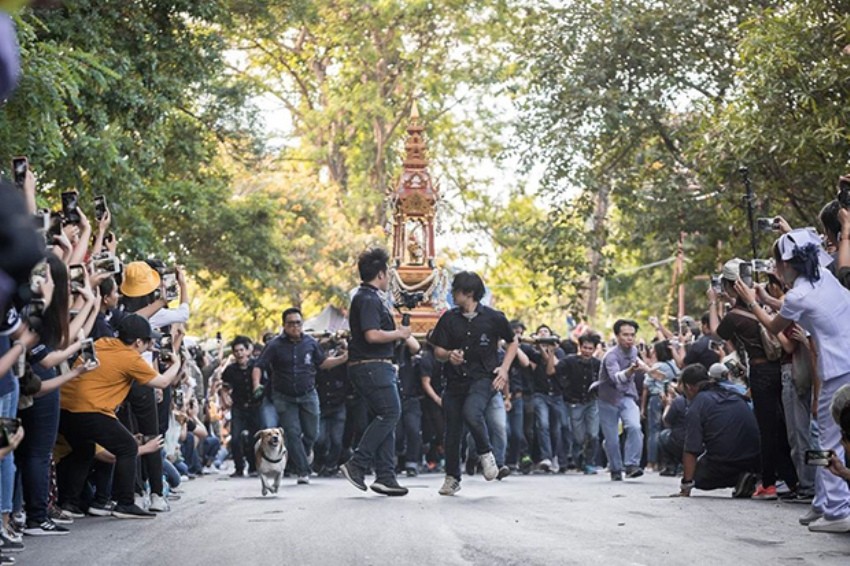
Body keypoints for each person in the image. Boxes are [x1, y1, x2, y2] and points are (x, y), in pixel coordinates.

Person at [734, 229, 850, 532]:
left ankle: (837, 511)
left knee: (827, 441)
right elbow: (790, 306)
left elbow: (774, 324)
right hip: (845, 359)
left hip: (837, 368)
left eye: (777, 262)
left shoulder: (798, 294)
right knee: (830, 437)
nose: (775, 268)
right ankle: (823, 503)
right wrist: (766, 297)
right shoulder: (823, 278)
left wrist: (750, 301)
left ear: (787, 264)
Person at [58, 314, 182, 519]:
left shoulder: (102, 342)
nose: (152, 344)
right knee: (127, 447)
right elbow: (161, 383)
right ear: (139, 342)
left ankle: (70, 503)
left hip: (65, 409)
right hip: (89, 409)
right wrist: (175, 363)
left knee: (84, 449)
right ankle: (125, 503)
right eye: (148, 340)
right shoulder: (130, 358)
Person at [709, 258, 798, 500]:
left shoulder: (734, 316)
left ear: (730, 286)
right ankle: (792, 479)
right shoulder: (762, 305)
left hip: (760, 374)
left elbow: (717, 334)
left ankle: (769, 483)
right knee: (783, 428)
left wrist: (712, 304)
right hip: (780, 370)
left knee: (768, 430)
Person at [429, 271, 517, 496]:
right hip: (454, 380)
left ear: (468, 293)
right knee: (452, 432)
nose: (451, 294)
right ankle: (452, 477)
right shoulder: (448, 318)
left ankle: (486, 454)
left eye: (455, 290)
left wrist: (504, 369)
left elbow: (512, 342)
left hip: (483, 378)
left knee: (472, 412)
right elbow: (437, 350)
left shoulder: (493, 317)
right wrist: (449, 355)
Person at [340, 247, 410, 497]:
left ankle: (385, 476)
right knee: (391, 413)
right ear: (380, 274)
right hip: (372, 366)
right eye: (388, 273)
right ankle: (357, 464)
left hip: (372, 367)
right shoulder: (368, 298)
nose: (389, 278)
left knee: (384, 417)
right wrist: (399, 334)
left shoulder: (366, 297)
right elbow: (371, 335)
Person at [253, 308, 348, 484]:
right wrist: (256, 384)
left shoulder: (311, 343)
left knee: (314, 433)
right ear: (284, 325)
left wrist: (343, 359)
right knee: (292, 432)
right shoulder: (274, 345)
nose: (295, 327)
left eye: (298, 323)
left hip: (308, 394)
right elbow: (259, 365)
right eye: (291, 323)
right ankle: (303, 470)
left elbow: (323, 363)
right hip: (283, 396)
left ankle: (303, 452)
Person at [676, 365, 761, 498]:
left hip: (726, 463)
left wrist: (686, 486)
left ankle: (739, 478)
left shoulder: (698, 404)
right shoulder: (733, 394)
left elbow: (691, 448)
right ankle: (749, 476)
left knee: (697, 476)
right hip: (755, 459)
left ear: (688, 387)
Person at [595, 319, 648, 481]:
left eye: (632, 335)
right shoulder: (610, 356)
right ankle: (616, 468)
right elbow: (617, 377)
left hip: (627, 396)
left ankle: (632, 465)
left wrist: (652, 371)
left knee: (634, 426)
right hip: (607, 398)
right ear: (617, 336)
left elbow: (641, 364)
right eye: (625, 335)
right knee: (611, 438)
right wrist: (632, 370)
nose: (629, 338)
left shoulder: (633, 351)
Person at [549, 332, 601, 474]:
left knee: (593, 434)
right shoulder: (569, 361)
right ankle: (578, 460)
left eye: (590, 349)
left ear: (595, 349)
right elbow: (552, 371)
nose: (587, 351)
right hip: (574, 403)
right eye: (585, 348)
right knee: (578, 436)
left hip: (592, 402)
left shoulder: (597, 364)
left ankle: (589, 462)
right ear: (580, 347)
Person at [221, 336, 260, 478]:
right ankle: (239, 468)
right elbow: (224, 387)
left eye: (241, 350)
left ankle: (254, 467)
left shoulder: (256, 366)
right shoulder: (230, 370)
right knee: (236, 438)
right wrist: (225, 397)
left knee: (253, 437)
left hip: (255, 407)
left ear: (247, 351)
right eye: (236, 351)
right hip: (238, 407)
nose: (239, 353)